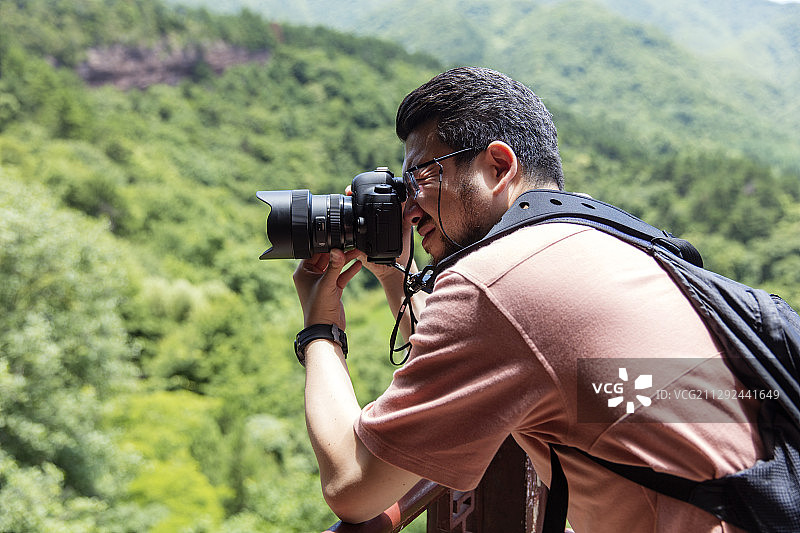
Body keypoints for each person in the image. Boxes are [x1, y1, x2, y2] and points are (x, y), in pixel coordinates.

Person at [292, 67, 763, 532]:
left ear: (498, 166)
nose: (411, 208)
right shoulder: (600, 240)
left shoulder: (496, 284)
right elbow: (473, 368)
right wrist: (394, 268)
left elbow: (353, 487)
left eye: (421, 177)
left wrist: (320, 325)